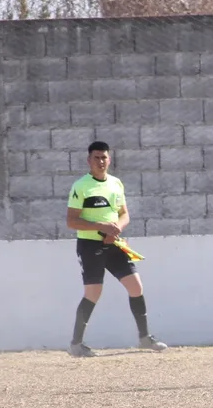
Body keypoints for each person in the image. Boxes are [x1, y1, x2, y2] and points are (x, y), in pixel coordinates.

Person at [65, 141, 167, 357]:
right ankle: (76, 344)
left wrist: (116, 230)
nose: (101, 161)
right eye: (96, 158)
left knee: (135, 286)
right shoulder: (81, 186)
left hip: (114, 244)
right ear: (88, 160)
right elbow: (72, 221)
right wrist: (100, 227)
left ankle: (144, 338)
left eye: (104, 157)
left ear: (109, 160)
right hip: (90, 245)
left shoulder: (115, 184)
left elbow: (124, 214)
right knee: (93, 292)